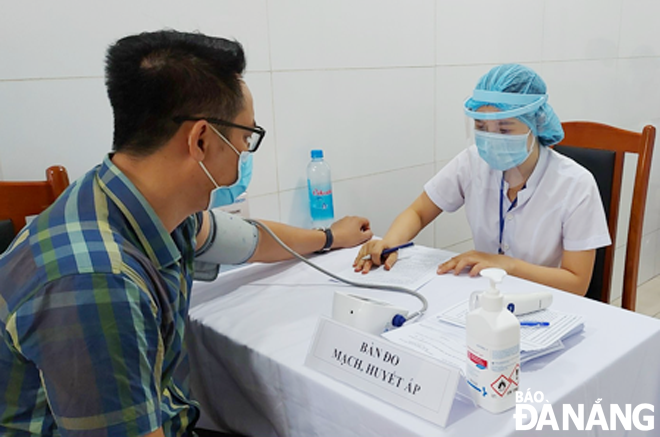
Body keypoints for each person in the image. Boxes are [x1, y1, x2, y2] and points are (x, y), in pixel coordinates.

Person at [0, 30, 372, 437]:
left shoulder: (140, 203)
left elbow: (252, 239)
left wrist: (329, 238)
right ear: (201, 139)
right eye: (246, 137)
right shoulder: (96, 283)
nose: (245, 153)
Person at [354, 64, 611, 296]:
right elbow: (419, 212)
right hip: (484, 297)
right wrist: (390, 242)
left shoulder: (576, 184)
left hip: (547, 304)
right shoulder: (472, 162)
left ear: (536, 122)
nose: (491, 138)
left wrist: (506, 265)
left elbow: (576, 283)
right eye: (481, 126)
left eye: (504, 128)